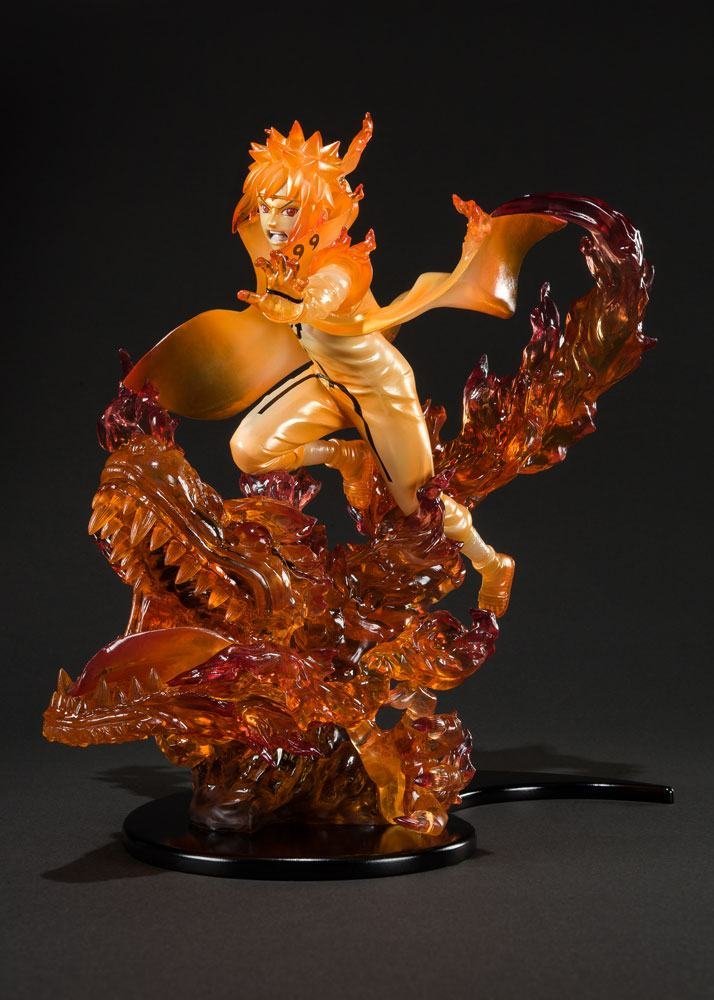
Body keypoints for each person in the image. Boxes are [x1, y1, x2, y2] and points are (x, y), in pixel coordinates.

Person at [125, 114, 564, 616]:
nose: (273, 222)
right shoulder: (283, 257)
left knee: (418, 505)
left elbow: (326, 293)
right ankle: (345, 457)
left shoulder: (343, 263)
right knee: (247, 450)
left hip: (380, 391)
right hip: (326, 383)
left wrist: (298, 306)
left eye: (288, 210)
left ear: (316, 210)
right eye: (267, 207)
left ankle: (491, 563)